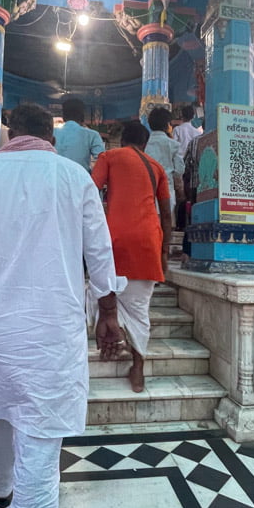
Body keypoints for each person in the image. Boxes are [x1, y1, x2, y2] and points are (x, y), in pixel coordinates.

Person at [0, 103, 124, 508]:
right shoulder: (74, 178)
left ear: (9, 132)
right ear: (50, 140)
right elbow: (99, 253)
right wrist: (108, 313)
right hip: (50, 329)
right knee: (39, 443)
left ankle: (0, 485)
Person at [91, 120, 172, 393]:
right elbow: (167, 215)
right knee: (139, 310)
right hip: (148, 243)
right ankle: (138, 367)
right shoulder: (157, 168)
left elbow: (90, 193)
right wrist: (164, 253)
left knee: (101, 295)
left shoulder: (109, 157)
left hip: (113, 242)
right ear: (145, 144)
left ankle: (114, 338)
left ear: (122, 139)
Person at [143, 107, 185, 219]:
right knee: (163, 221)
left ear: (150, 124)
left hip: (146, 188)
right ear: (167, 124)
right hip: (167, 188)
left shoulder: (143, 145)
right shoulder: (173, 144)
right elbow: (180, 169)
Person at [54, 98, 104, 170]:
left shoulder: (51, 133)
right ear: (82, 115)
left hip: (56, 177)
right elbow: (102, 160)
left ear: (63, 116)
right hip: (82, 178)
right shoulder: (92, 135)